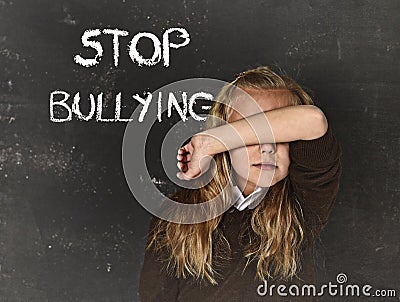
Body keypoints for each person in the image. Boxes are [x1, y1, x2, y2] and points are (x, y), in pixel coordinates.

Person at [139, 66, 342, 301]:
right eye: (252, 133)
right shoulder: (179, 213)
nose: (267, 146)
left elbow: (313, 120)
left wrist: (210, 143)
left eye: (280, 134)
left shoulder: (300, 206)